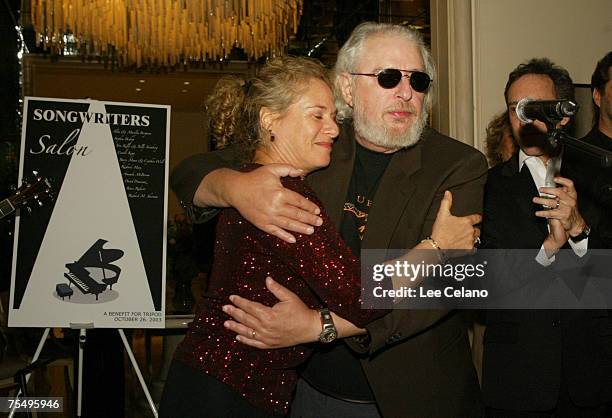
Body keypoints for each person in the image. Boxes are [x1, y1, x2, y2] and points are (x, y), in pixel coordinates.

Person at [171, 22, 487, 418]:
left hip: (413, 396)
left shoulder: (458, 165)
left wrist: (318, 325)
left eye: (418, 80)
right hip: (306, 390)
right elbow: (190, 171)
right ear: (348, 89)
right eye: (388, 78)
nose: (406, 93)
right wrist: (235, 187)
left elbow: (447, 286)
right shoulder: (317, 144)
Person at [159, 56, 392, 418]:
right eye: (317, 115)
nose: (333, 129)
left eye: (334, 117)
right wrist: (433, 248)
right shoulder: (282, 196)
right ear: (270, 119)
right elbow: (363, 299)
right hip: (227, 393)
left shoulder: (257, 179)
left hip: (216, 382)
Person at [480, 58, 612, 416]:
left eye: (537, 108)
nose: (525, 119)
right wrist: (547, 249)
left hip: (591, 378)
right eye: (516, 109)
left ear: (564, 115)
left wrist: (580, 233)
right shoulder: (486, 186)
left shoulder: (599, 177)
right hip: (519, 381)